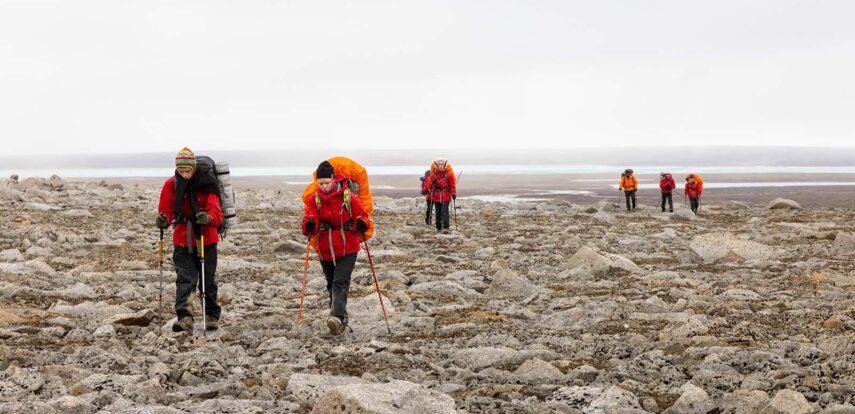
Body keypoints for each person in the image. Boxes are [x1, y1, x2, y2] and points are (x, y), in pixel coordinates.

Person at [156, 147, 224, 333]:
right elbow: (167, 210)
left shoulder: (207, 183)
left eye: (187, 170)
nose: (185, 174)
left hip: (206, 239)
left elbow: (217, 213)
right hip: (181, 239)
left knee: (207, 279)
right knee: (185, 279)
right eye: (181, 171)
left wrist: (208, 218)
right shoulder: (171, 184)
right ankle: (185, 317)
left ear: (193, 167)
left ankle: (211, 316)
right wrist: (163, 220)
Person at [302, 161, 371, 335]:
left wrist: (362, 223)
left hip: (348, 247)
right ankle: (340, 319)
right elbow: (308, 217)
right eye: (321, 183)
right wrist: (309, 224)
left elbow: (362, 216)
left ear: (333, 179)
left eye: (327, 182)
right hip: (325, 249)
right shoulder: (314, 199)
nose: (324, 186)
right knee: (331, 284)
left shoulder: (348, 197)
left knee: (340, 282)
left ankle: (337, 316)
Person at [422, 159, 456, 232]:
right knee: (438, 212)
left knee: (444, 211)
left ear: (444, 165)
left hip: (446, 196)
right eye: (439, 164)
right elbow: (429, 184)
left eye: (442, 164)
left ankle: (446, 227)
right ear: (437, 165)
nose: (441, 166)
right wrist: (430, 189)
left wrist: (453, 193)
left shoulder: (449, 175)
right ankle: (439, 227)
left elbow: (452, 185)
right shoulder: (433, 175)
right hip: (436, 197)